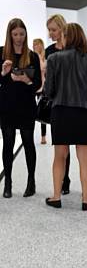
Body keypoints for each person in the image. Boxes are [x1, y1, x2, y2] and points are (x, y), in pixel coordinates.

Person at [43, 23, 87, 210]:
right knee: (85, 158)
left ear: (66, 37)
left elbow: (48, 90)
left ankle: (56, 196)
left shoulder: (53, 59)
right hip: (85, 113)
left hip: (61, 112)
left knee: (60, 156)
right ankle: (86, 199)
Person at [0, 18, 41, 198]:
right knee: (7, 143)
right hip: (6, 106)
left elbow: (39, 83)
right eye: (15, 34)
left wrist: (27, 80)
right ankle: (7, 182)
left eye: (22, 34)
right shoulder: (1, 54)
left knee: (28, 143)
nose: (19, 38)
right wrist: (3, 73)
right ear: (9, 35)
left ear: (26, 34)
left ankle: (31, 181)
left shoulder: (32, 56)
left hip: (26, 106)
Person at [46, 14, 71, 194]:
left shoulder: (73, 48)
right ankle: (63, 180)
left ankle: (70, 179)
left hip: (73, 101)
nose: (51, 33)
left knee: (75, 146)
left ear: (62, 29)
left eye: (53, 30)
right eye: (49, 30)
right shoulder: (49, 51)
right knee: (60, 145)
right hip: (57, 102)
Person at [33, 37, 47, 144]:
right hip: (35, 86)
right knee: (32, 110)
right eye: (34, 45)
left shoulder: (45, 56)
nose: (35, 46)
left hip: (45, 86)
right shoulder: (33, 57)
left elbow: (44, 68)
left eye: (37, 44)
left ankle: (43, 136)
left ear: (41, 45)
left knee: (43, 110)